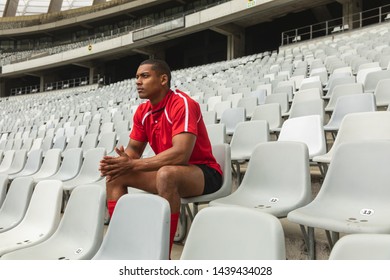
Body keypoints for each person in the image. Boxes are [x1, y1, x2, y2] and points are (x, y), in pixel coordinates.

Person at [99, 59, 223, 258]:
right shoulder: (142, 111)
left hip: (204, 172)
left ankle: (162, 256)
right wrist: (119, 163)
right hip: (170, 172)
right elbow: (133, 150)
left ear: (163, 79)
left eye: (145, 76)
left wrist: (133, 163)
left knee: (166, 174)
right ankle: (125, 247)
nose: (138, 81)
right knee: (116, 176)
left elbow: (181, 154)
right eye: (137, 77)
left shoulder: (182, 103)